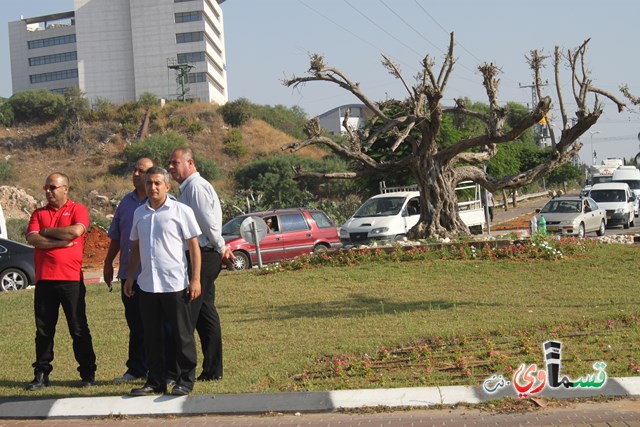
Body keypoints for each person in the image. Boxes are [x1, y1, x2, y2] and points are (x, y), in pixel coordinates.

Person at [125, 166, 202, 396]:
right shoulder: (139, 213)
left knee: (181, 335)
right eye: (149, 183)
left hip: (175, 284)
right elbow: (136, 247)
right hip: (148, 285)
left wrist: (195, 279)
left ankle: (185, 380)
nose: (153, 187)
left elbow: (194, 247)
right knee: (152, 336)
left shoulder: (181, 211)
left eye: (158, 183)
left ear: (167, 186)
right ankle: (155, 381)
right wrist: (130, 276)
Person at [168, 147, 234, 381]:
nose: (171, 167)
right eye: (170, 163)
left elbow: (209, 225)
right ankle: (213, 370)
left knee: (186, 312)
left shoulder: (195, 187)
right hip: (202, 253)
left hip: (204, 254)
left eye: (175, 163)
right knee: (205, 314)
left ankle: (180, 372)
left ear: (190, 163)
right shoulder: (188, 188)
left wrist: (220, 247)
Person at [25, 173, 97, 390]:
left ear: (65, 189)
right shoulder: (39, 212)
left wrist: (46, 233)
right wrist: (59, 240)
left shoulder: (78, 210)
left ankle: (87, 373)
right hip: (45, 280)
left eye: (53, 187)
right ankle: (41, 373)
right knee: (44, 329)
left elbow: (76, 231)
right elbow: (32, 238)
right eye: (46, 187)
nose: (48, 191)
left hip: (71, 280)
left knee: (77, 328)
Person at [103, 157, 154, 383]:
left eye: (141, 171)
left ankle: (160, 369)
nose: (135, 174)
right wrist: (107, 263)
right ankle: (136, 369)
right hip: (128, 275)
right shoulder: (125, 203)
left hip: (153, 276)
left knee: (156, 325)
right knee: (135, 324)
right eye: (134, 169)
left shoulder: (163, 202)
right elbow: (116, 236)